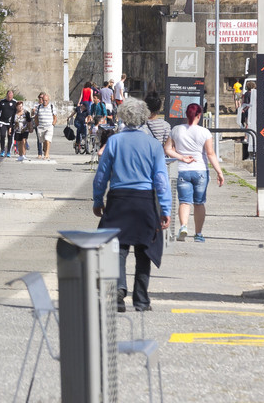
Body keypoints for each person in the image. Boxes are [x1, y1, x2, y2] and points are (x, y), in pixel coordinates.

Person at [93, 98, 171, 312]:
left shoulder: (114, 142)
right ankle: (141, 298)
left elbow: (102, 175)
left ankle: (118, 289)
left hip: (118, 199)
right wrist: (165, 208)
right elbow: (161, 180)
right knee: (145, 249)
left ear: (123, 117)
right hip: (145, 200)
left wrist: (98, 199)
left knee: (117, 248)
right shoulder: (153, 145)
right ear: (144, 117)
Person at [167, 103, 226, 242]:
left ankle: (183, 226)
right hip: (200, 170)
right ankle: (198, 234)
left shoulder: (176, 130)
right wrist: (219, 172)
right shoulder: (204, 132)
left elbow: (168, 149)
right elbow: (210, 154)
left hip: (182, 169)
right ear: (199, 115)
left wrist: (181, 157)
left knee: (184, 202)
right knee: (199, 203)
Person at [34, 92, 56, 159]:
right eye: (43, 100)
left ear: (48, 100)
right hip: (41, 127)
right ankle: (44, 150)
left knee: (47, 139)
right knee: (43, 141)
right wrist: (37, 124)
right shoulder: (39, 107)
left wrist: (53, 124)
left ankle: (47, 154)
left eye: (46, 100)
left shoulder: (52, 106)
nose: (45, 102)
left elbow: (55, 116)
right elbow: (36, 117)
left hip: (49, 126)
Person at [0, 89, 17, 157]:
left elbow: (17, 112)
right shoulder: (2, 101)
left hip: (11, 123)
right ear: (7, 95)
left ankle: (8, 151)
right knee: (2, 135)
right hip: (3, 121)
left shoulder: (14, 102)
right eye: (9, 95)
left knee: (10, 136)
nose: (10, 97)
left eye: (11, 96)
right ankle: (2, 150)